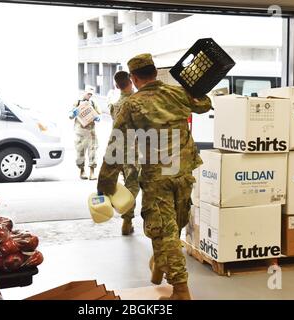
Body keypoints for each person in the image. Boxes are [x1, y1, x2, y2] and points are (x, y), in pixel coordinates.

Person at [97, 54, 212, 300]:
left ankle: (181, 291)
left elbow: (117, 146)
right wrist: (194, 87)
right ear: (155, 72)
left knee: (165, 230)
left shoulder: (131, 104)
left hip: (157, 176)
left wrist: (105, 184)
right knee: (175, 225)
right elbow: (204, 104)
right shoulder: (177, 93)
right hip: (181, 171)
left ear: (134, 78)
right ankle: (160, 263)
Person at [108, 71, 140, 236]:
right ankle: (127, 219)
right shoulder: (137, 102)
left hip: (119, 152)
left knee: (128, 184)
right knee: (133, 186)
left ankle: (127, 219)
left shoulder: (115, 105)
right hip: (135, 152)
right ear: (132, 81)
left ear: (116, 85)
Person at [69, 86, 101, 180]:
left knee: (93, 151)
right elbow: (70, 116)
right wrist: (73, 114)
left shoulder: (93, 103)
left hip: (91, 132)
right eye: (88, 94)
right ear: (84, 92)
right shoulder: (77, 102)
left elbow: (99, 113)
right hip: (80, 132)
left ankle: (92, 173)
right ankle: (82, 171)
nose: (89, 96)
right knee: (80, 152)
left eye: (91, 94)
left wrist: (96, 117)